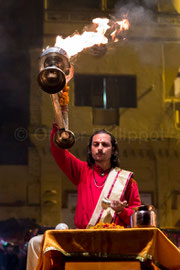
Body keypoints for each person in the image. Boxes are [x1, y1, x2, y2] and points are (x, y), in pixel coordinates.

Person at [26, 125, 141, 270]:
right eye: (96, 144)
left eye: (105, 144)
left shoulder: (127, 181)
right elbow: (59, 152)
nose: (100, 148)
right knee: (35, 243)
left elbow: (138, 219)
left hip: (114, 240)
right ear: (91, 149)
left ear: (113, 150)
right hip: (83, 238)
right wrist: (58, 126)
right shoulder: (82, 171)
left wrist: (121, 211)